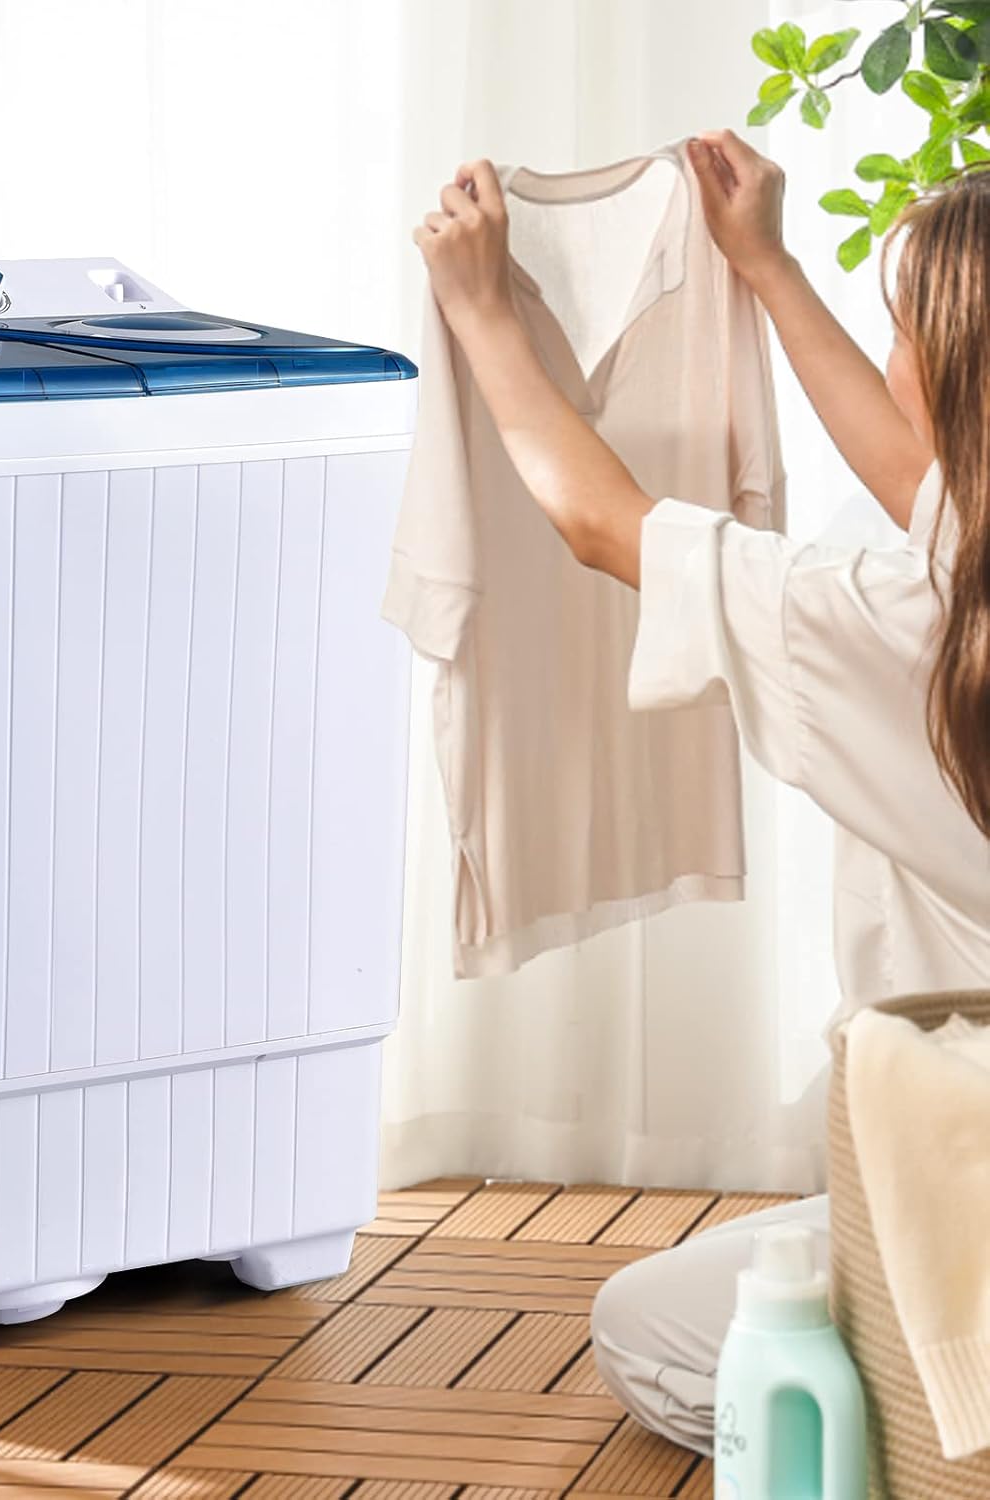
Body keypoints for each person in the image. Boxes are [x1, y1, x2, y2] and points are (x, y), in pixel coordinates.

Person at [411, 127, 990, 1457]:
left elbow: (600, 521)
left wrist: (484, 311)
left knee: (653, 1325)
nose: (891, 358)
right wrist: (768, 268)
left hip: (973, 1166)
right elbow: (923, 482)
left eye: (902, 331)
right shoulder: (951, 577)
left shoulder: (893, 621)